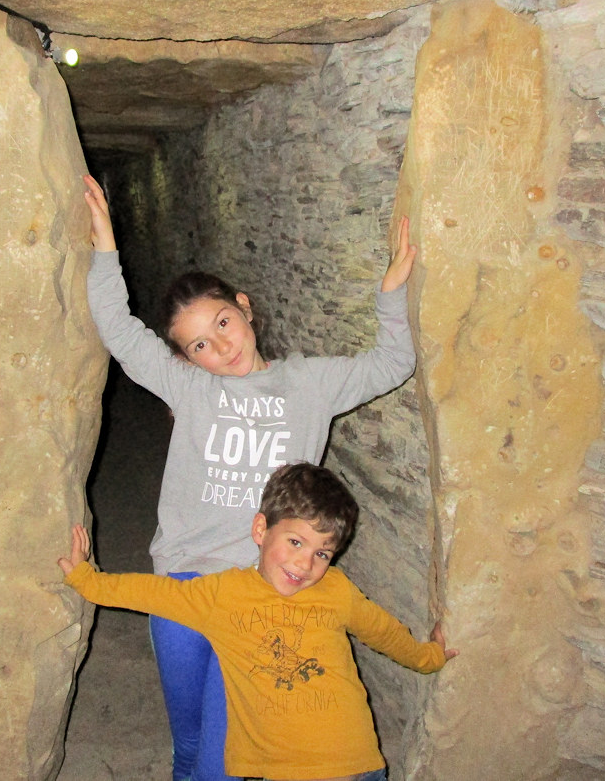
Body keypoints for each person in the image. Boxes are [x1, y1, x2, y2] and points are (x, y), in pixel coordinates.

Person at [82, 174, 418, 781]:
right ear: (187, 360)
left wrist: (390, 294)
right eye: (200, 346)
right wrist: (106, 244)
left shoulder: (310, 384)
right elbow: (119, 330)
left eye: (222, 325)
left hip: (260, 594)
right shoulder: (191, 389)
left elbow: (393, 362)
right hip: (185, 585)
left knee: (222, 765)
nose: (220, 349)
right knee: (187, 744)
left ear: (245, 307)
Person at [58, 463, 456, 781]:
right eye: (296, 542)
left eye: (323, 554)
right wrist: (85, 578)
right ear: (261, 529)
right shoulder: (223, 594)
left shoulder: (337, 589)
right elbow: (152, 593)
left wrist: (429, 656)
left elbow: (384, 633)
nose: (305, 564)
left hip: (362, 767)